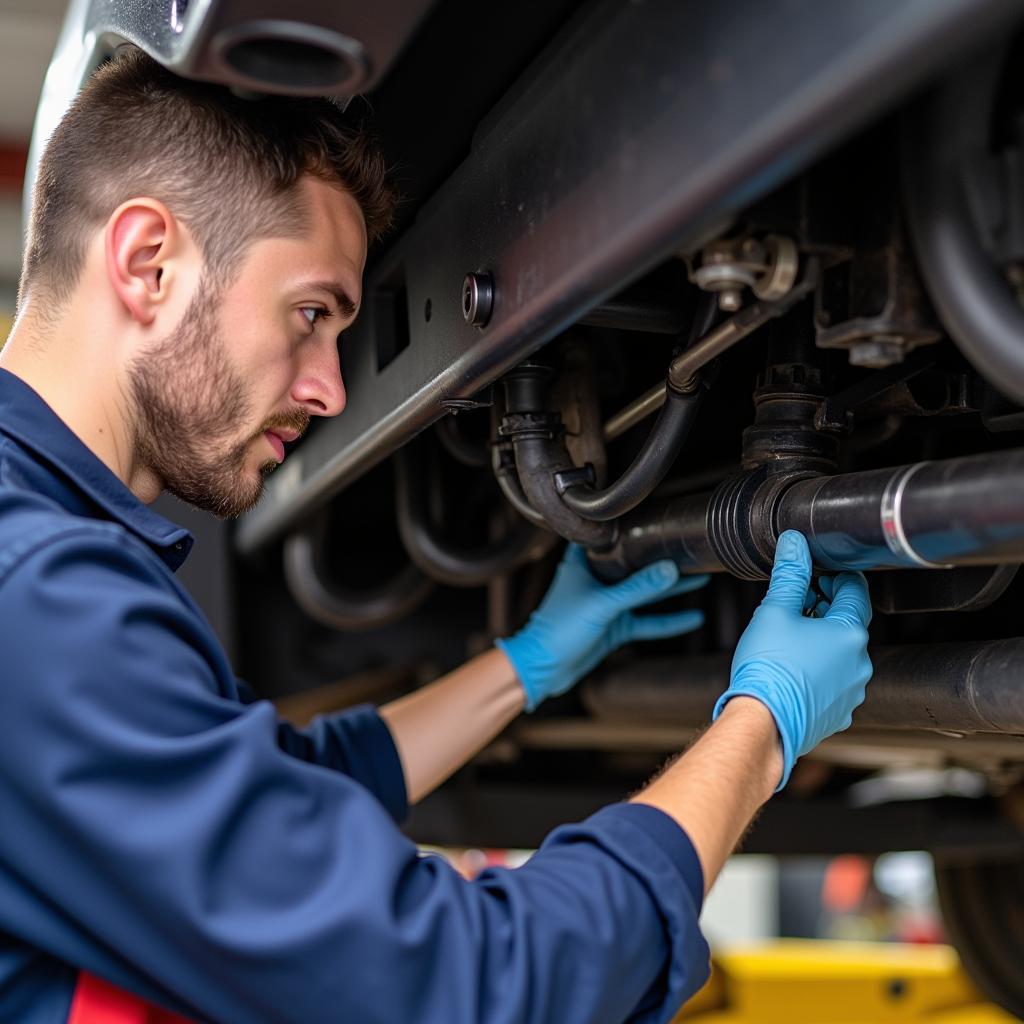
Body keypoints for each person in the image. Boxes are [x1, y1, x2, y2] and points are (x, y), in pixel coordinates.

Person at [0, 49, 873, 1024]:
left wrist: (526, 664)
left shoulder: (39, 563)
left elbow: (269, 809)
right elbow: (463, 988)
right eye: (310, 313)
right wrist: (759, 729)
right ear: (146, 262)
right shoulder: (38, 598)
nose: (330, 388)